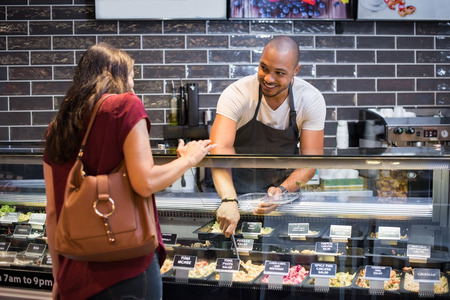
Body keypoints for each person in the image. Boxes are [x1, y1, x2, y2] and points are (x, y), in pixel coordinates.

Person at [43, 43, 215, 300]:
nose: (133, 86)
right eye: (132, 76)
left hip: (73, 273)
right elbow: (145, 182)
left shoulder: (57, 126)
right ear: (115, 73)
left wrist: (59, 276)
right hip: (125, 269)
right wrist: (189, 159)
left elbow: (54, 211)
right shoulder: (125, 107)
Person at [210, 36, 326, 238]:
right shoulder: (237, 94)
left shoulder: (310, 99)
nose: (269, 78)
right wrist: (229, 200)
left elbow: (310, 164)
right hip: (234, 195)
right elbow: (219, 152)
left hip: (282, 197)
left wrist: (283, 191)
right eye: (264, 68)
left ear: (295, 72)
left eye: (279, 73)